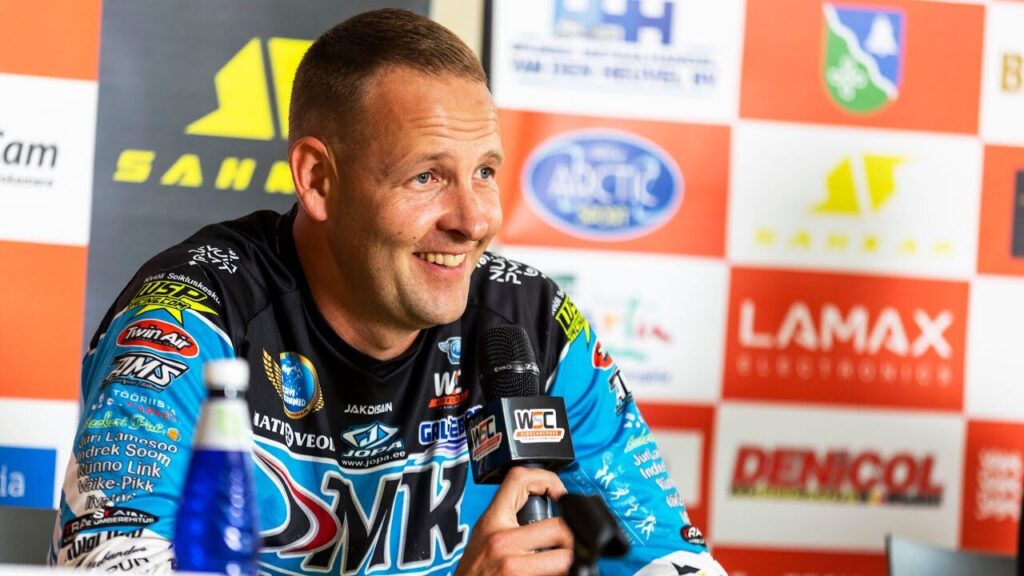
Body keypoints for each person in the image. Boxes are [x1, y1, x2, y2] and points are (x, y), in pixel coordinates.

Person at [52, 8, 726, 576]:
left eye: (485, 171)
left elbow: (670, 560)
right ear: (319, 180)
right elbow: (110, 564)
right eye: (427, 177)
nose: (474, 221)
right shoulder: (190, 318)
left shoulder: (530, 324)